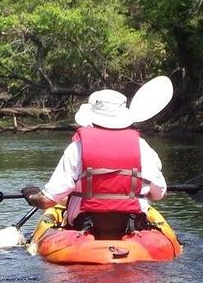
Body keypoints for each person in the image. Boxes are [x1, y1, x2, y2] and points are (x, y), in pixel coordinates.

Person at [21, 89, 167, 239]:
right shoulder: (142, 147)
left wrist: (31, 196)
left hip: (86, 227)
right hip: (131, 227)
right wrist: (138, 190)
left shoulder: (77, 148)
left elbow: (46, 201)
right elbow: (159, 194)